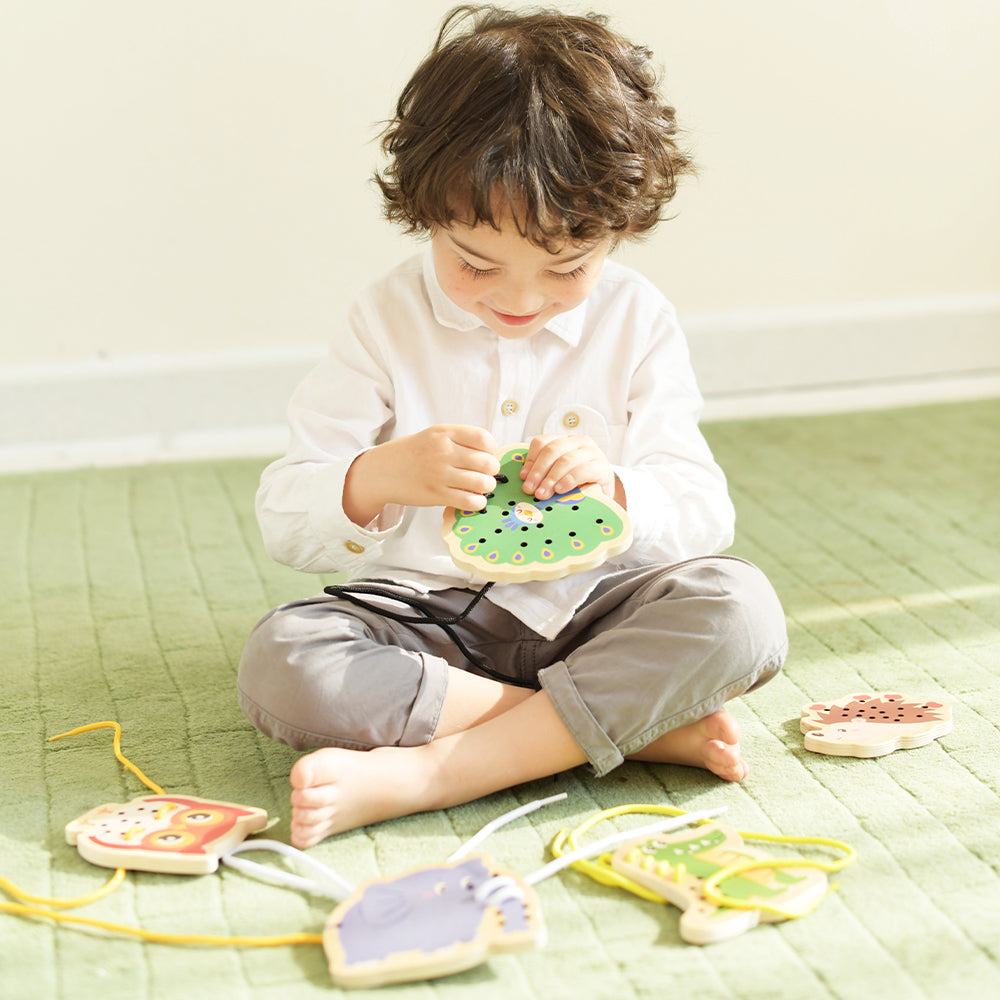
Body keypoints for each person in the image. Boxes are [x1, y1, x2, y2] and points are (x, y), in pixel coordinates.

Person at [238, 5, 788, 850]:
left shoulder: (638, 319)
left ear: (621, 228)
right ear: (424, 210)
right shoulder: (383, 318)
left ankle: (440, 773)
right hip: (428, 623)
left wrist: (616, 490)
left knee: (739, 610)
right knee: (285, 658)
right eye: (475, 263)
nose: (520, 299)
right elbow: (285, 514)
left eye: (567, 268)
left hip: (589, 612)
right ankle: (614, 727)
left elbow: (702, 509)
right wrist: (379, 477)